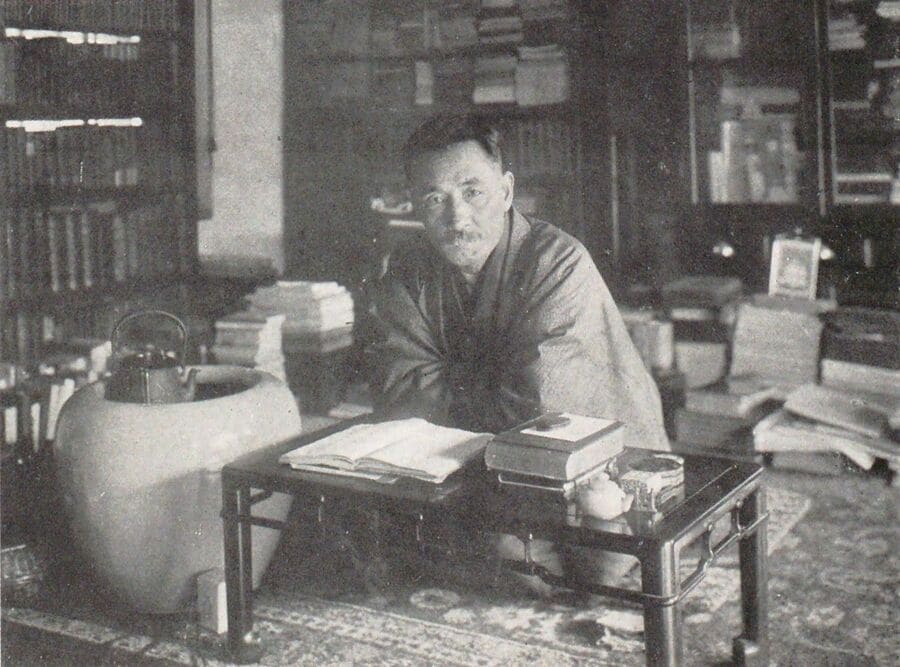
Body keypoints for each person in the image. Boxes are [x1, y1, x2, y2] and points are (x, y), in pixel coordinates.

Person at [365, 114, 670, 591]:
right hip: (478, 461)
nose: (457, 218)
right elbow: (399, 388)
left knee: (580, 569)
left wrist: (450, 400)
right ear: (414, 205)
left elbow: (542, 409)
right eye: (434, 199)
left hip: (587, 462)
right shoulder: (407, 266)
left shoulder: (558, 261)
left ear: (506, 191)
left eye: (473, 192)